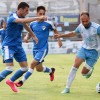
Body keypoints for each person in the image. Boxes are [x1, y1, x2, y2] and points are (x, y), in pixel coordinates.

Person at [0, 2, 46, 92]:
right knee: (9, 68)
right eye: (26, 10)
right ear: (20, 9)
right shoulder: (12, 17)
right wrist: (38, 17)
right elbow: (23, 21)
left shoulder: (22, 18)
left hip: (18, 46)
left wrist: (33, 36)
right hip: (8, 46)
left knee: (25, 68)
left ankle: (10, 81)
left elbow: (26, 25)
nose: (27, 12)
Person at [14, 6, 62, 89]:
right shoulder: (32, 24)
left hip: (43, 49)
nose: (42, 15)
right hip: (35, 49)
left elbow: (55, 30)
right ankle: (51, 71)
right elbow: (29, 33)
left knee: (32, 64)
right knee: (39, 69)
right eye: (40, 14)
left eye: (43, 14)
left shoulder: (48, 23)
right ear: (37, 14)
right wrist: (26, 38)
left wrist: (59, 40)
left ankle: (21, 81)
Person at [54, 11, 100, 94]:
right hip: (84, 49)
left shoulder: (97, 28)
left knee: (84, 73)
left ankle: (89, 70)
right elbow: (73, 34)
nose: (85, 23)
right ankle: (67, 88)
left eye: (86, 21)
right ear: (80, 20)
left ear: (89, 19)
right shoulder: (80, 26)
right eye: (83, 21)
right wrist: (60, 36)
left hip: (94, 52)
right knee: (75, 66)